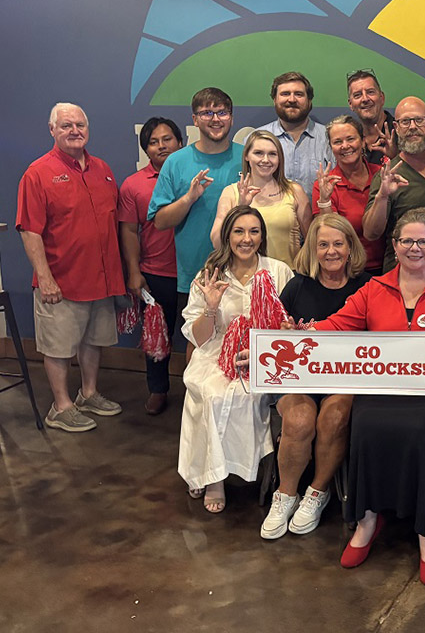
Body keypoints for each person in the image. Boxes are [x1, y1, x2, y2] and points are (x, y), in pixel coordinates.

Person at [314, 209, 425, 586]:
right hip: (387, 384)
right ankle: (368, 518)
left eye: (423, 241)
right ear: (394, 246)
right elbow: (339, 324)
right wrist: (304, 330)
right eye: (407, 241)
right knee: (367, 422)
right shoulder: (375, 288)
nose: (415, 248)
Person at [260, 214, 372, 538]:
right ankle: (285, 495)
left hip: (346, 380)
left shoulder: (367, 286)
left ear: (351, 248)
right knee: (297, 420)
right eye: (323, 244)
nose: (331, 251)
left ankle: (317, 492)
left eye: (338, 243)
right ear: (313, 249)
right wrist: (282, 333)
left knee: (334, 419)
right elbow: (273, 337)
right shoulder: (297, 285)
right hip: (300, 379)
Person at [177, 205, 295, 513]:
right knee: (211, 393)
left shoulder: (278, 271)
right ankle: (213, 478)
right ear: (228, 235)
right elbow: (200, 338)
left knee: (244, 395)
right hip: (216, 352)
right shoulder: (210, 275)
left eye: (254, 231)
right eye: (239, 231)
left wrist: (284, 329)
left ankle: (226, 468)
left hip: (265, 356)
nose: (246, 239)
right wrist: (211, 307)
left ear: (262, 235)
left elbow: (290, 328)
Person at [17, 102, 125, 432]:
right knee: (59, 346)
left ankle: (88, 393)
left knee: (93, 340)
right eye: (66, 126)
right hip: (61, 281)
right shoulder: (38, 173)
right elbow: (30, 229)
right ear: (52, 130)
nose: (74, 131)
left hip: (101, 279)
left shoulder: (102, 169)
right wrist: (45, 279)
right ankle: (60, 406)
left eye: (79, 125)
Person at [148, 87, 244, 340]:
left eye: (222, 112)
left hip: (242, 274)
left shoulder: (247, 157)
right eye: (207, 112)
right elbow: (160, 222)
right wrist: (189, 198)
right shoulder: (176, 162)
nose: (215, 119)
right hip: (195, 276)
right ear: (194, 119)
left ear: (232, 117)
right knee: (197, 348)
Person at [118, 117, 184, 415]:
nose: (162, 146)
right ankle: (158, 390)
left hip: (199, 272)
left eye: (167, 139)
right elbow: (129, 230)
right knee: (158, 336)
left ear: (180, 142)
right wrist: (134, 271)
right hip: (157, 273)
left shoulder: (195, 175)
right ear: (146, 148)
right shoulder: (133, 185)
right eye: (154, 142)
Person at [363, 96, 425, 271]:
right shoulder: (388, 175)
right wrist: (382, 196)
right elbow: (371, 233)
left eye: (419, 120)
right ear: (396, 128)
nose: (413, 127)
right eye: (405, 121)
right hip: (402, 276)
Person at [211, 130, 309, 265]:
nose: (265, 160)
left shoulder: (295, 191)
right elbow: (217, 242)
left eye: (272, 154)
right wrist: (241, 208)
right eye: (258, 153)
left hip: (288, 278)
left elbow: (312, 240)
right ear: (246, 156)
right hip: (246, 278)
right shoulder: (231, 193)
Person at [312, 116, 385, 273]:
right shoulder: (324, 185)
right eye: (338, 142)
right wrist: (324, 200)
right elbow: (329, 235)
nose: (345, 146)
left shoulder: (381, 175)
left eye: (350, 139)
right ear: (331, 147)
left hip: (388, 268)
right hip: (348, 272)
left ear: (363, 140)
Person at [256, 71, 334, 192]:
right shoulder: (256, 139)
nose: (292, 99)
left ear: (309, 100)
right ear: (274, 100)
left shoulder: (329, 138)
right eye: (285, 94)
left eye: (298, 94)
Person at [347, 69, 395, 165]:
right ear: (351, 104)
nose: (365, 99)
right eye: (357, 95)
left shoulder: (401, 132)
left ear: (382, 98)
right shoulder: (349, 142)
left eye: (370, 92)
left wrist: (395, 156)